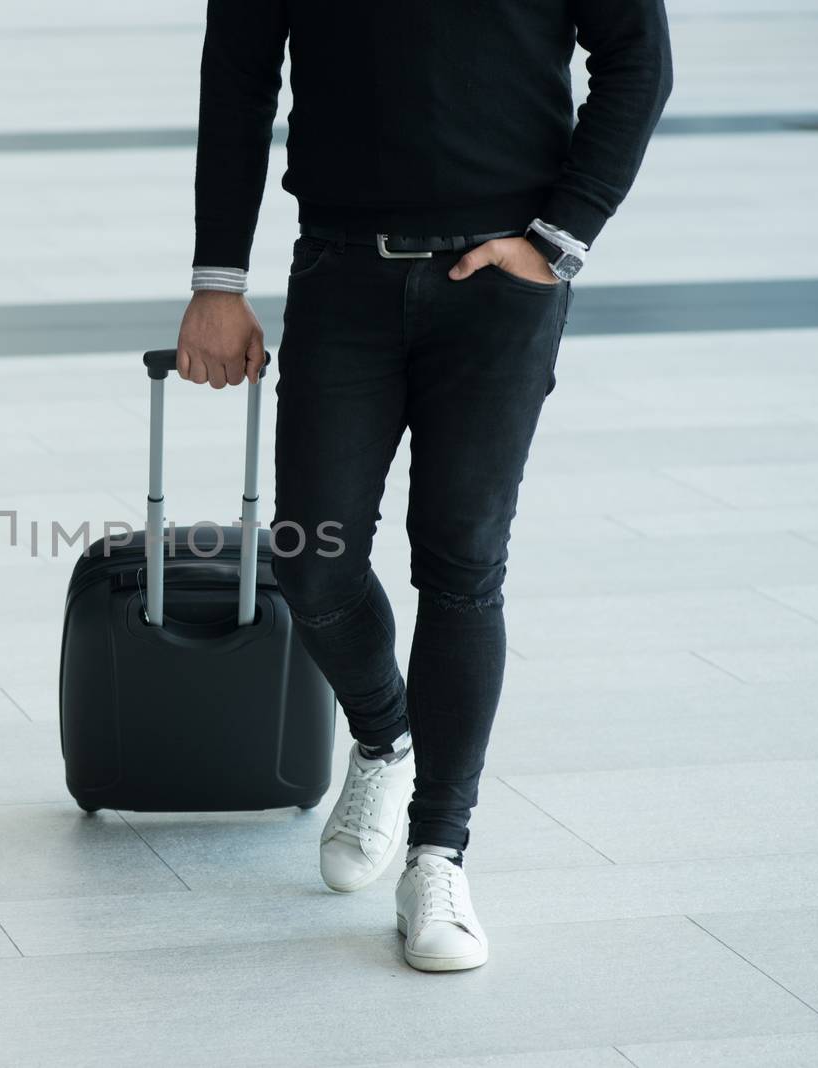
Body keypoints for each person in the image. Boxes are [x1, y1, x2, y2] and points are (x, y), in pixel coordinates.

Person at [176, 1, 672, 971]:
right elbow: (236, 72)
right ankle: (382, 739)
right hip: (340, 271)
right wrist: (217, 279)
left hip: (501, 284)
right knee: (311, 559)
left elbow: (637, 61)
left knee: (461, 561)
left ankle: (438, 856)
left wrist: (559, 237)